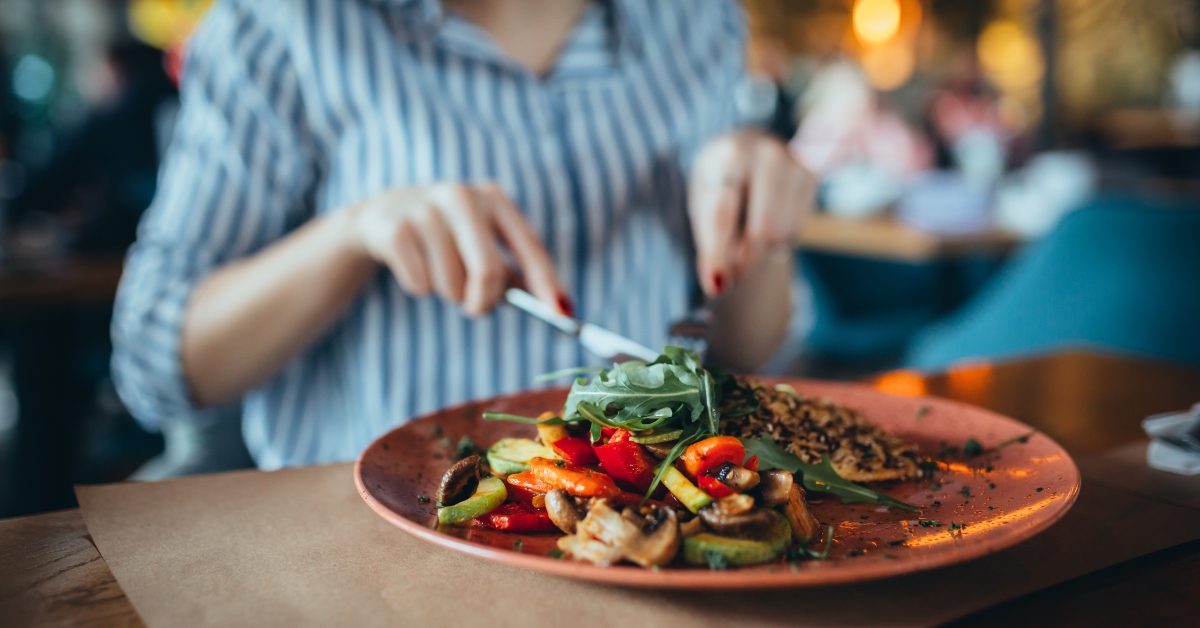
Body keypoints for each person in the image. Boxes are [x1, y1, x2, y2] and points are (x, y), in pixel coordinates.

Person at [111, 0, 816, 470]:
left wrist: (763, 226)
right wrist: (353, 233)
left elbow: (744, 350)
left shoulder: (697, 20)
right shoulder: (285, 25)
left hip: (648, 548)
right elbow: (152, 363)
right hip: (376, 568)